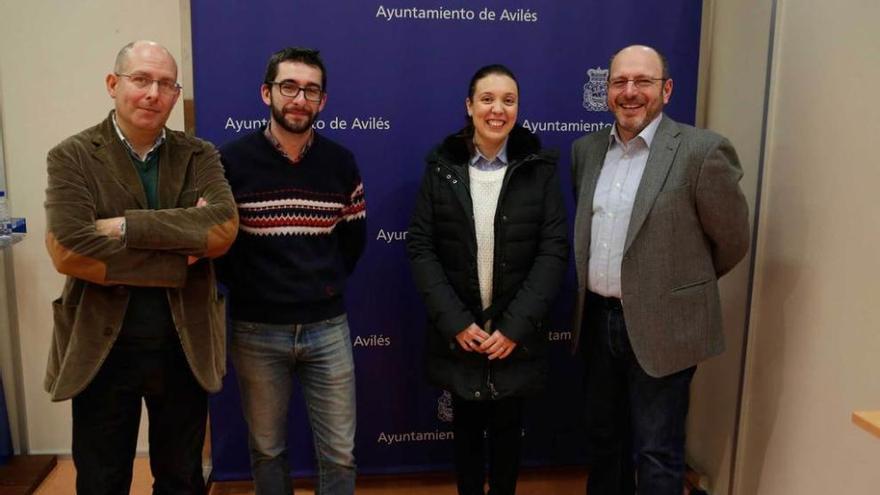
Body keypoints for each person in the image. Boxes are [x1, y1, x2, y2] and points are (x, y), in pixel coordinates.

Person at [44, 40, 238, 494]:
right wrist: (179, 254)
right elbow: (69, 248)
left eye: (166, 83)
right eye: (141, 80)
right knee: (101, 479)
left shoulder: (200, 155)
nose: (154, 93)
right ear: (114, 84)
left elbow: (223, 228)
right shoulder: (71, 156)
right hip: (103, 347)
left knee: (182, 477)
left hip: (183, 342)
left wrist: (122, 228)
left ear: (176, 94)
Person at [571, 44, 750, 494]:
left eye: (643, 82)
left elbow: (731, 241)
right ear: (607, 90)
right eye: (619, 82)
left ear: (666, 89)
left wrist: (675, 287)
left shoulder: (701, 151)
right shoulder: (586, 151)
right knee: (604, 443)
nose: (630, 92)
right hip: (597, 322)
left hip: (665, 326)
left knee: (657, 451)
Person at [407, 64, 568, 495]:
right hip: (462, 334)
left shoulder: (539, 169)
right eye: (487, 99)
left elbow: (553, 251)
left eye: (509, 100)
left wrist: (515, 327)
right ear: (469, 106)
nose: (498, 109)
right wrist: (456, 322)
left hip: (516, 336)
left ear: (518, 108)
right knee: (465, 441)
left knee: (507, 438)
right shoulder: (440, 168)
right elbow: (421, 248)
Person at [217, 47, 366, 495]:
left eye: (311, 90)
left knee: (340, 452)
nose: (299, 99)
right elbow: (219, 245)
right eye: (289, 87)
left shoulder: (341, 162)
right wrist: (255, 288)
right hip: (256, 329)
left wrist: (322, 286)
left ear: (322, 101)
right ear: (267, 93)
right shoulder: (231, 162)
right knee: (267, 450)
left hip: (328, 326)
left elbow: (353, 241)